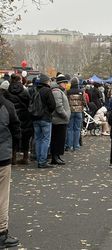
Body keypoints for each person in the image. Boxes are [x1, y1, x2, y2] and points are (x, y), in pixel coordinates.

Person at [0, 86, 20, 249]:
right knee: (2, 196)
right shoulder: (6, 105)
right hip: (2, 156)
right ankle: (1, 233)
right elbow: (15, 128)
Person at [5, 75, 33, 165]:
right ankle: (25, 158)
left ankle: (13, 158)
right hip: (24, 116)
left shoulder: (7, 91)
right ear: (20, 80)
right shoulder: (24, 91)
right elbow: (29, 102)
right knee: (25, 137)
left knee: (13, 137)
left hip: (11, 116)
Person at [31, 73, 56, 168]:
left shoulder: (34, 90)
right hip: (45, 118)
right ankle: (42, 161)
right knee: (46, 140)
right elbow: (52, 105)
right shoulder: (47, 91)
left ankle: (38, 159)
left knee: (38, 139)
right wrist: (49, 112)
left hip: (35, 118)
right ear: (46, 82)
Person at [50, 74, 71, 165]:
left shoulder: (60, 91)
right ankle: (55, 157)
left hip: (61, 120)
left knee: (60, 140)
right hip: (58, 120)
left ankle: (57, 156)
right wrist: (65, 115)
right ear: (59, 83)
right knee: (57, 140)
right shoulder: (56, 92)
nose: (66, 84)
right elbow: (58, 106)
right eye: (64, 83)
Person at [66, 77, 86, 151]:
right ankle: (76, 145)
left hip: (70, 111)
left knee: (70, 129)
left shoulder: (68, 92)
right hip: (79, 112)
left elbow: (66, 101)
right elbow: (84, 102)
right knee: (77, 129)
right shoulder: (81, 91)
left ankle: (69, 145)